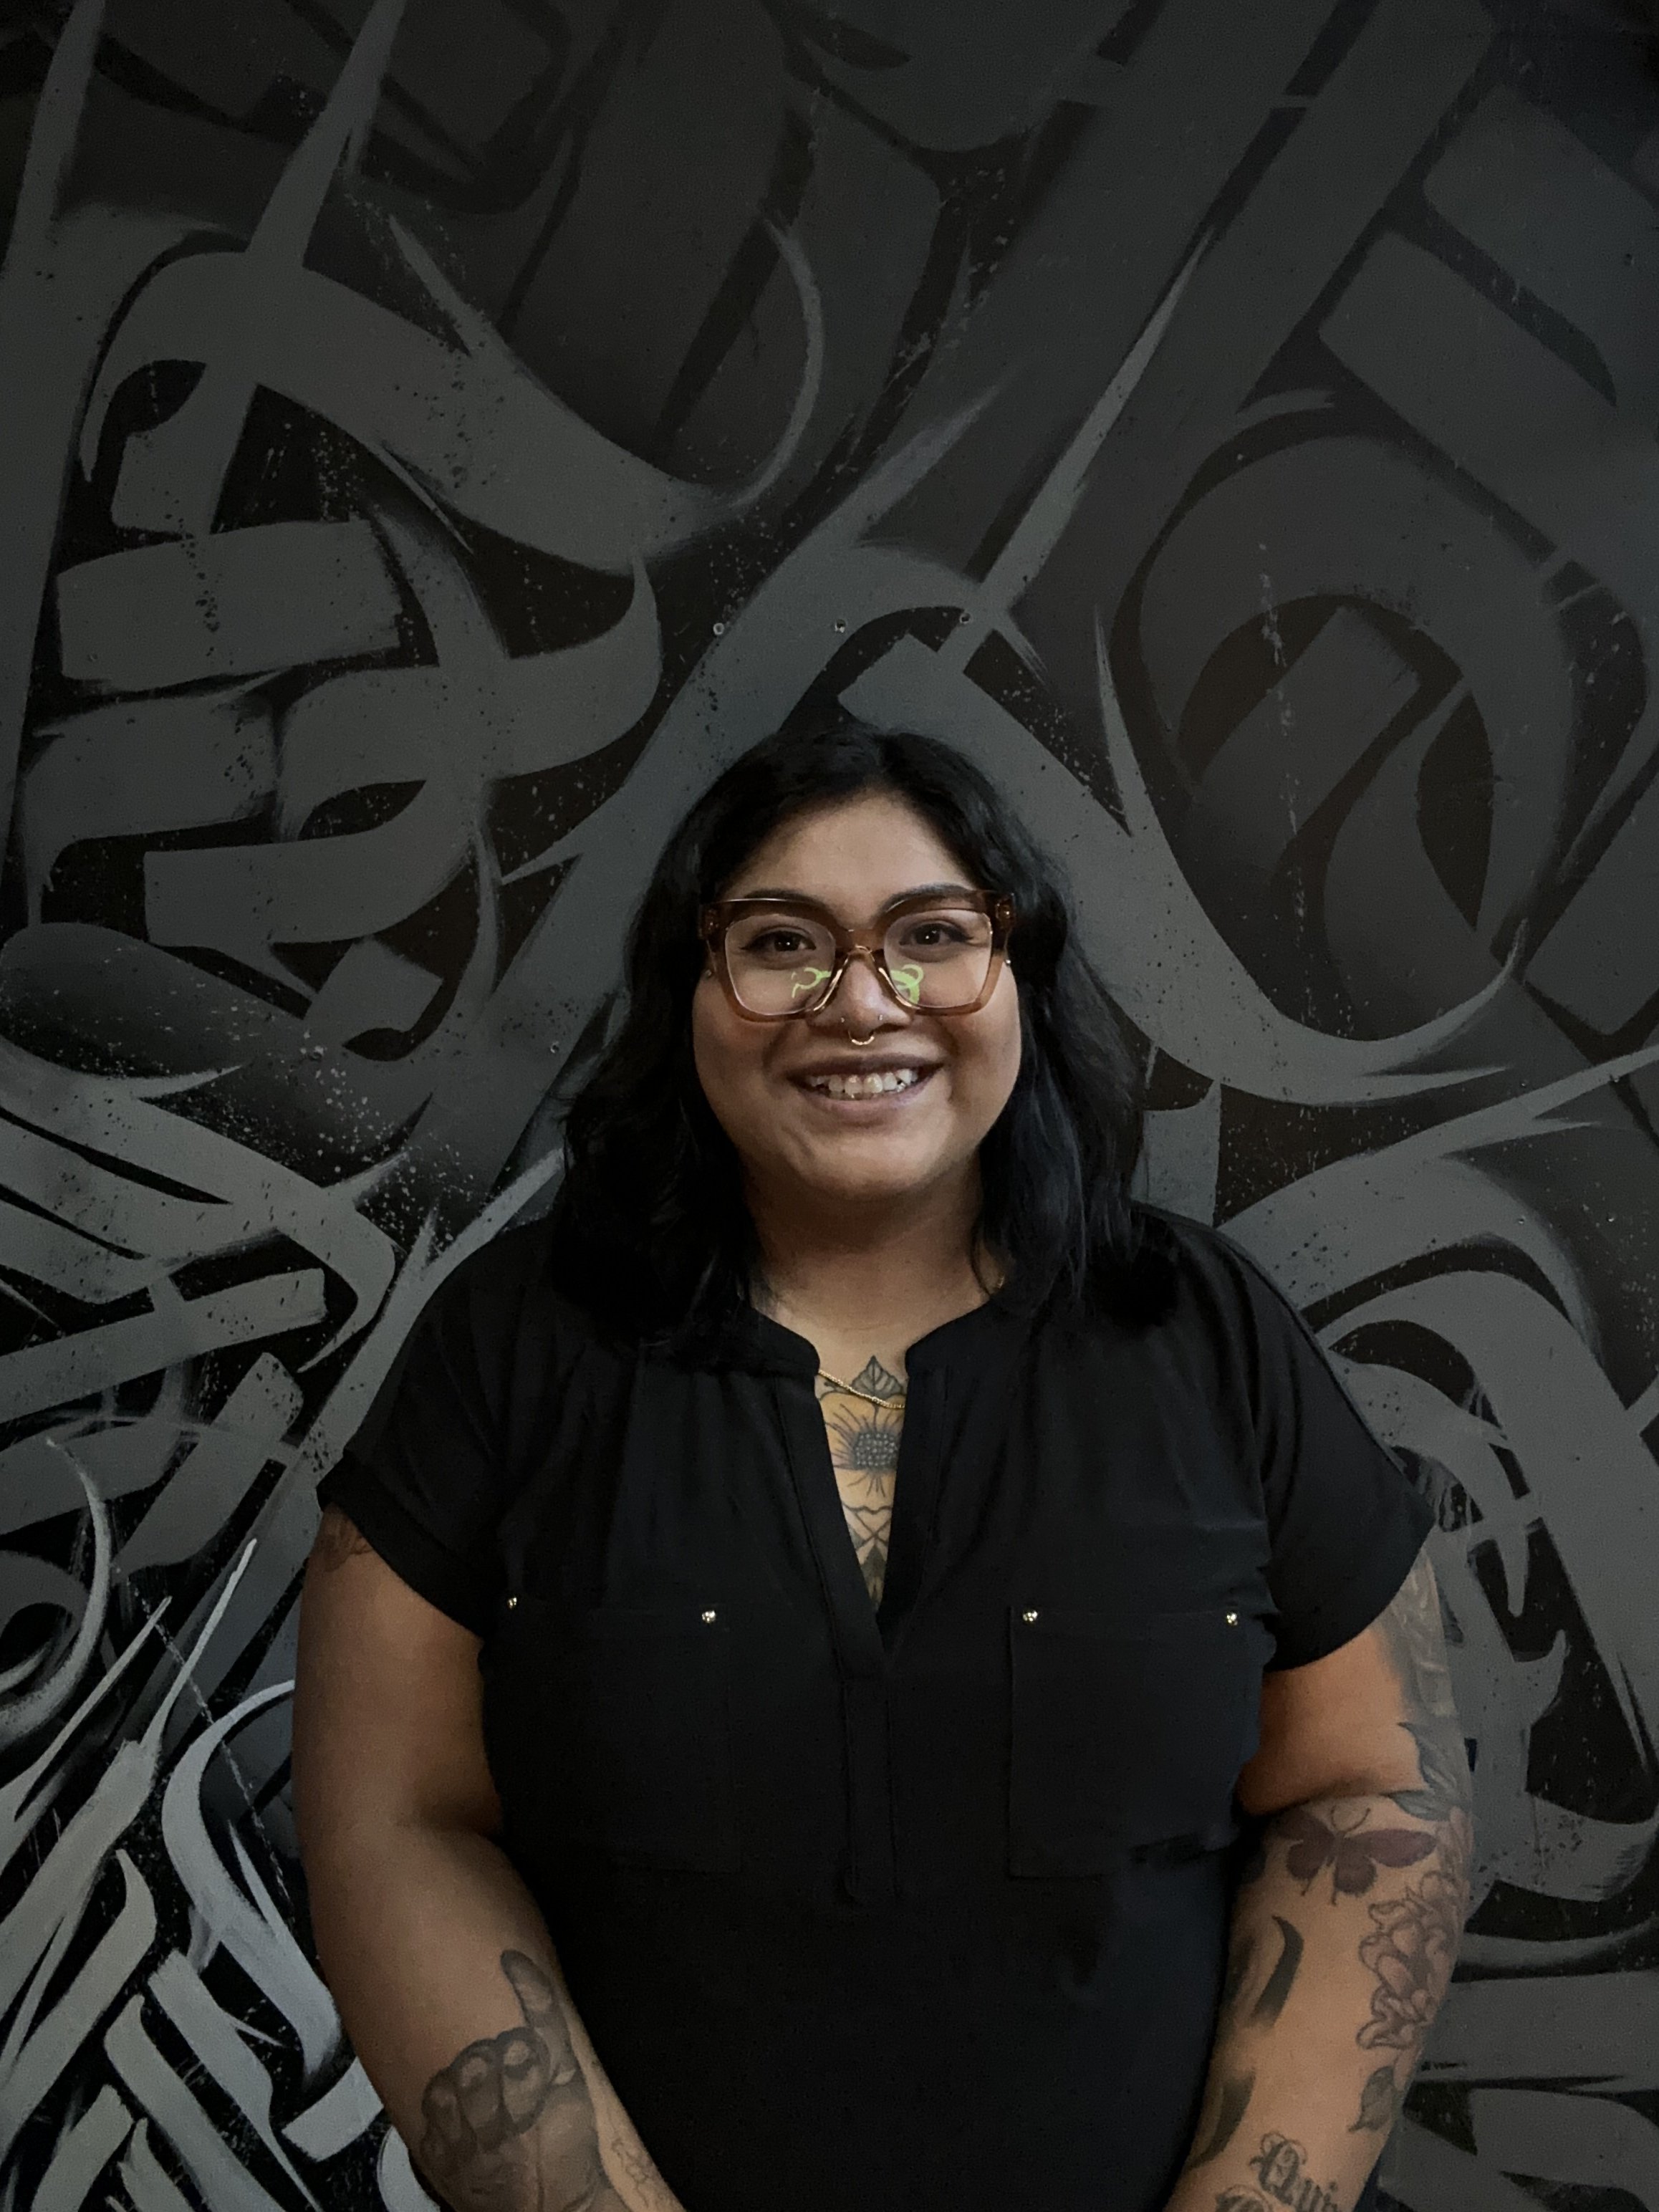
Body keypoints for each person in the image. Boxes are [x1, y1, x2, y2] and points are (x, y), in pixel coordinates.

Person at [292, 717, 1471, 2212]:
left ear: (1019, 975)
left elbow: (1380, 1788)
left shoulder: (1207, 1335)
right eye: (784, 940)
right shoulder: (512, 1348)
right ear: (692, 986)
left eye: (933, 935)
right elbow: (391, 1815)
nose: (865, 1001)